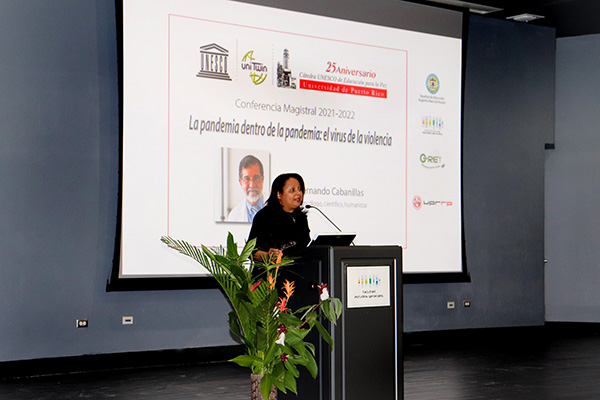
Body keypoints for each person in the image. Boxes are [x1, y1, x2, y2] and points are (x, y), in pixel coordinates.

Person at [248, 173, 310, 262]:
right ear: (279, 194)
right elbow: (251, 252)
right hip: (272, 269)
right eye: (292, 190)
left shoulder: (301, 217)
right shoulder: (265, 216)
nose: (298, 193)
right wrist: (268, 256)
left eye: (299, 189)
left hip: (298, 269)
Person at [227, 155, 264, 222]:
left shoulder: (279, 210)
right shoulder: (233, 216)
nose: (252, 185)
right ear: (241, 182)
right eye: (247, 179)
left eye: (256, 178)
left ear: (262, 179)